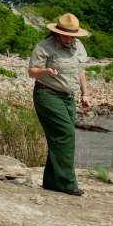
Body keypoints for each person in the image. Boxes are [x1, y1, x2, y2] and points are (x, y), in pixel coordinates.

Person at [27, 13, 92, 196]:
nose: (68, 39)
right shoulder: (44, 47)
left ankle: (51, 181)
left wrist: (85, 94)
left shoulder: (78, 46)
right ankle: (66, 183)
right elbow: (31, 72)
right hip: (47, 94)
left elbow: (81, 71)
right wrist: (45, 71)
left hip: (68, 97)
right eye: (64, 35)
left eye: (72, 36)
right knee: (66, 134)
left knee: (58, 138)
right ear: (56, 32)